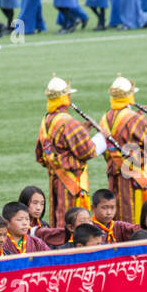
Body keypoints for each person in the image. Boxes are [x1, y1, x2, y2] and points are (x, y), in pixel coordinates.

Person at [36, 77, 105, 226]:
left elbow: (41, 156)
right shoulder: (68, 122)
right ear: (65, 98)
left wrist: (83, 132)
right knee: (75, 221)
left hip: (55, 178)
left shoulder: (45, 121)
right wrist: (102, 138)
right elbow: (88, 151)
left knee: (59, 218)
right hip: (72, 182)